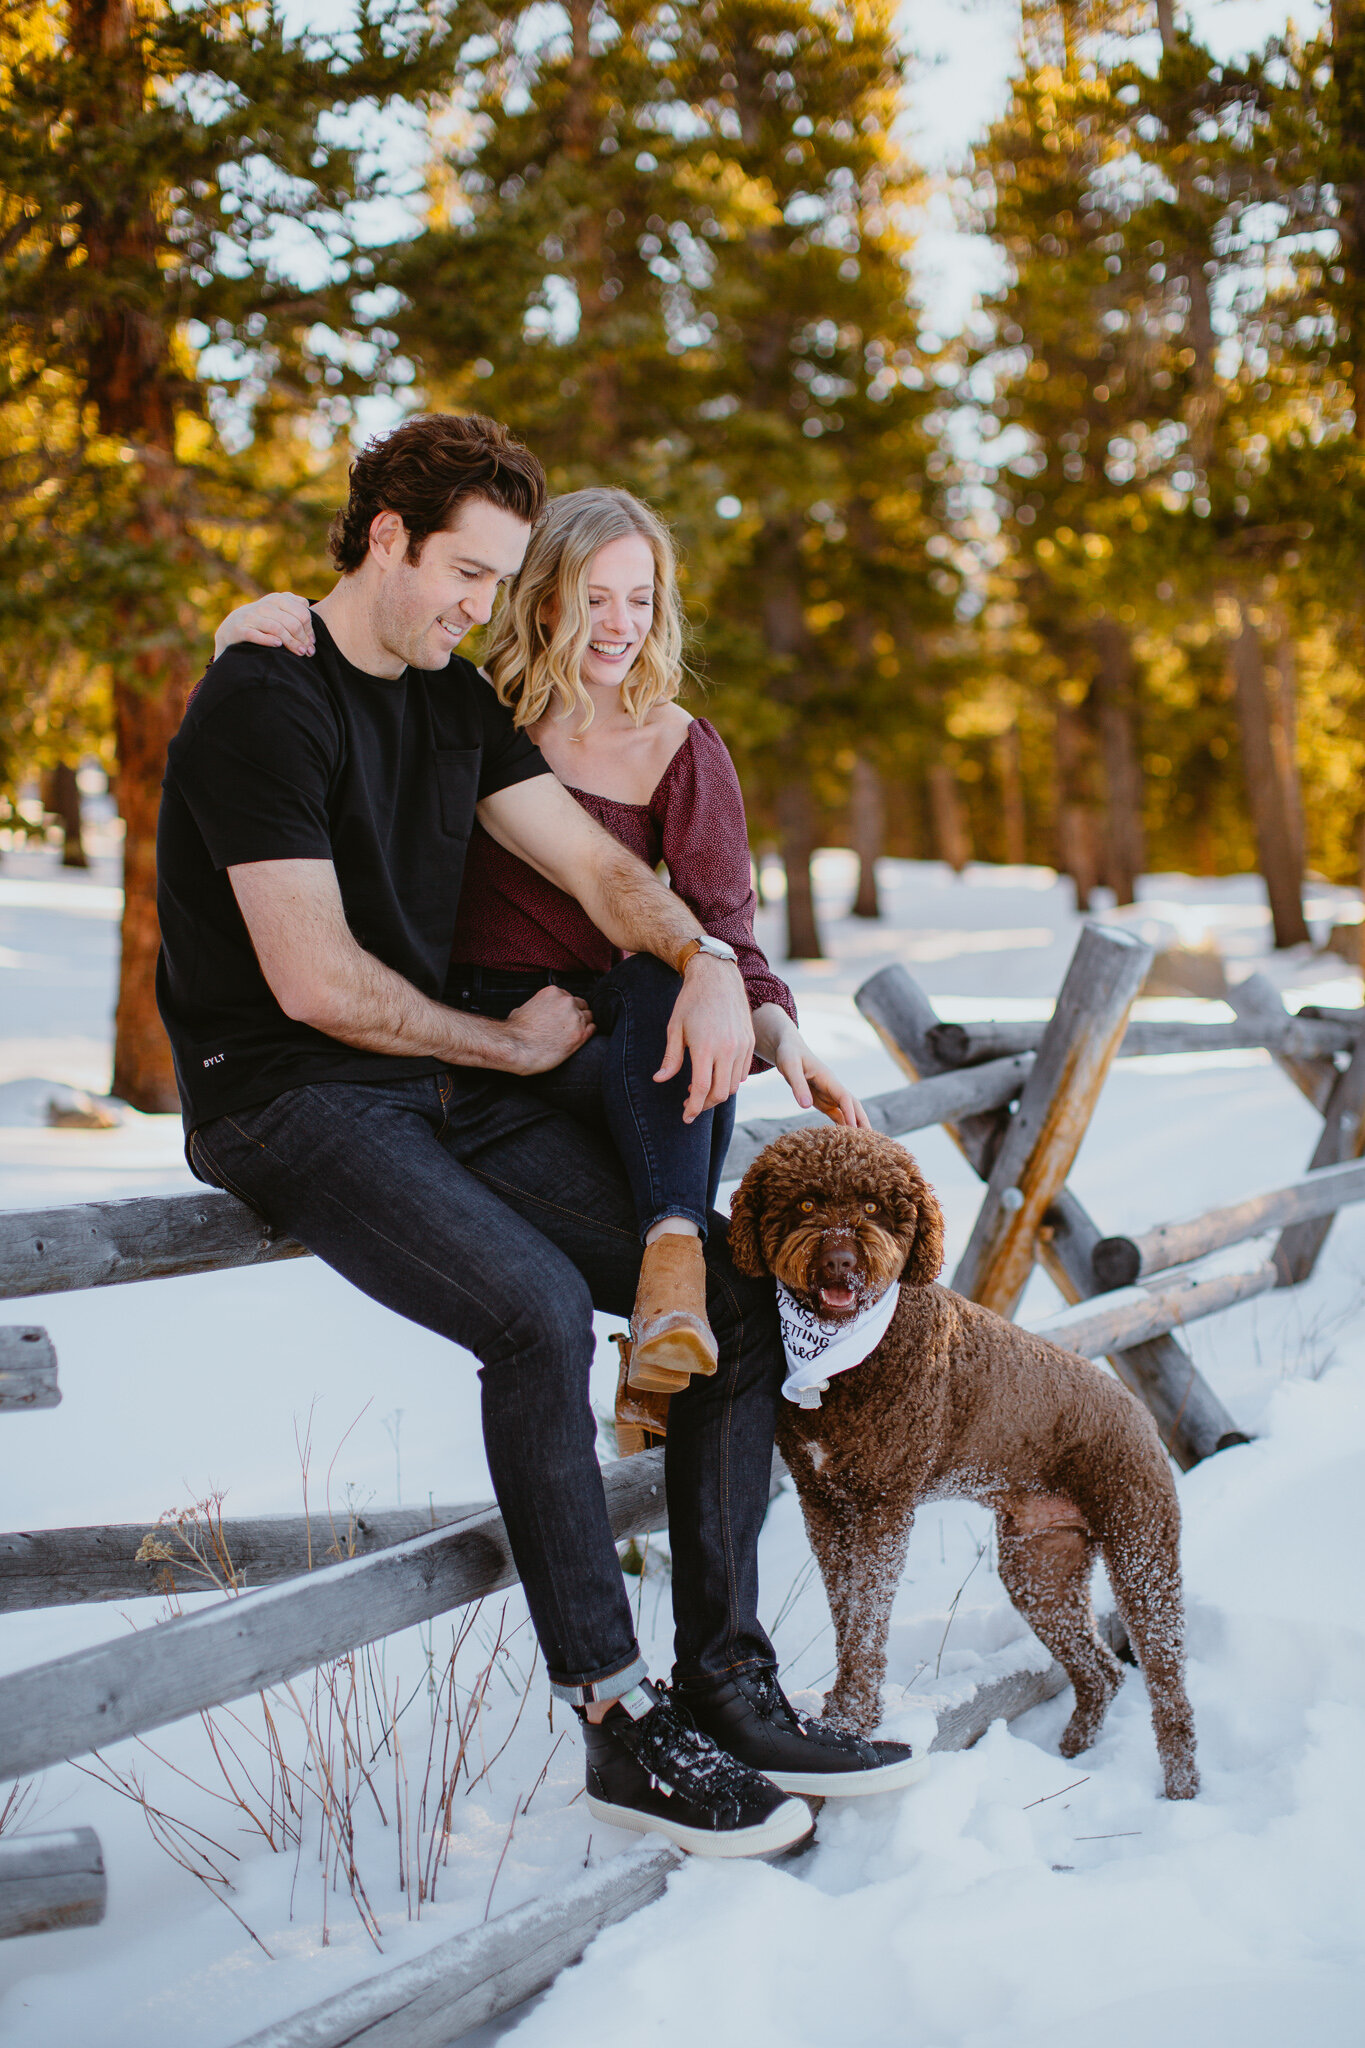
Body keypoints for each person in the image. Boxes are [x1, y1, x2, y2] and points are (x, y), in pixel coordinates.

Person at [161, 412, 921, 1861]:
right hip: (289, 1095)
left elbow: (591, 865)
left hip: (442, 1093)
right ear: (384, 539)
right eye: (464, 571)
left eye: (502, 579)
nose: (479, 606)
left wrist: (702, 961)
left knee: (732, 1320)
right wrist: (506, 1044)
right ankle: (617, 1719)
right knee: (525, 1316)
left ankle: (730, 1685)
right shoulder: (264, 698)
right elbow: (314, 984)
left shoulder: (449, 701)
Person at [216, 487, 866, 1422]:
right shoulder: (468, 707)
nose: (621, 624)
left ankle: (669, 1283)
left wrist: (777, 1032)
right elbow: (351, 666)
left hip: (605, 1031)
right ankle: (663, 1297)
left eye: (640, 599)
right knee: (669, 1001)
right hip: (474, 1029)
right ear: (544, 595)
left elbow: (726, 931)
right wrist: (247, 628)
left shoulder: (679, 745)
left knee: (669, 984)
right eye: (596, 596)